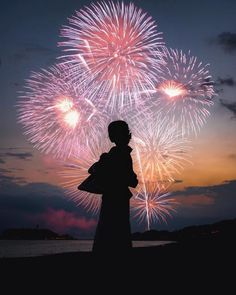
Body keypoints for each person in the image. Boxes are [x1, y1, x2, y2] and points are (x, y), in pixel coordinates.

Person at [89, 120, 138, 254]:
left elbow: (93, 170)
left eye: (111, 133)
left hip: (112, 196)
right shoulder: (126, 154)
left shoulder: (115, 153)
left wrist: (102, 162)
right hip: (122, 196)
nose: (109, 136)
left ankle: (109, 255)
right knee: (121, 229)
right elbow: (132, 180)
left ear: (115, 135)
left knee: (109, 228)